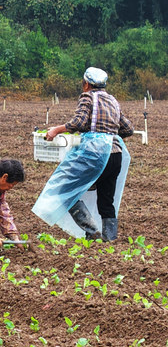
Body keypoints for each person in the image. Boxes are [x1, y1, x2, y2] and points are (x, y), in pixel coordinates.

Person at [33, 67, 133, 241]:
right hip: (115, 154)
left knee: (65, 190)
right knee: (106, 199)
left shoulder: (88, 96)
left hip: (94, 154)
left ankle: (92, 230)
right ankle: (110, 240)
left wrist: (56, 130)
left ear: (86, 84)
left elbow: (78, 122)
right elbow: (128, 129)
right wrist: (108, 135)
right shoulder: (113, 100)